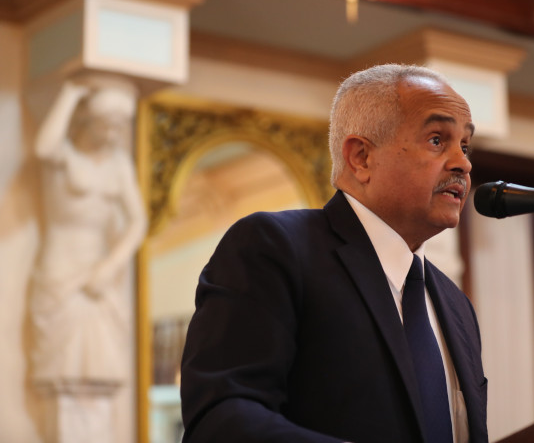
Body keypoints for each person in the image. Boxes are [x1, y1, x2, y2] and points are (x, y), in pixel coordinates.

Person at [180, 64, 488, 443]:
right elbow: (221, 420)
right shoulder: (275, 248)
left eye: (465, 146)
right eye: (437, 140)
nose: (463, 163)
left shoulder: (456, 305)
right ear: (361, 157)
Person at [29, 76, 147, 441]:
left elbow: (138, 221)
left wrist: (110, 266)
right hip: (61, 266)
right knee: (61, 367)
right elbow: (43, 148)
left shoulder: (119, 165)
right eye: (106, 125)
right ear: (87, 120)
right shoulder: (64, 154)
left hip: (100, 270)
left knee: (100, 367)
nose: (113, 134)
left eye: (119, 127)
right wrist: (71, 93)